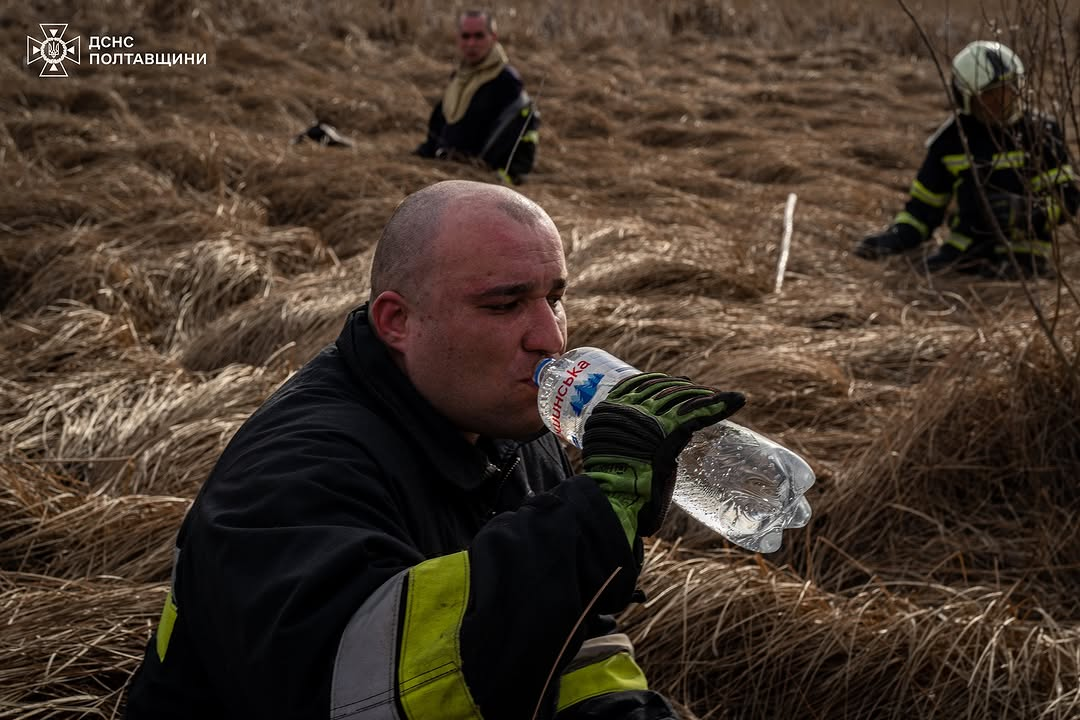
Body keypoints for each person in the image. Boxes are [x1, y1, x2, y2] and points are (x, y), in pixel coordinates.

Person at [124, 179, 746, 719]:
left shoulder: (516, 430)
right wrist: (585, 527)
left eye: (554, 297)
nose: (550, 337)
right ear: (396, 321)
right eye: (505, 303)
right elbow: (359, 696)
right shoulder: (290, 474)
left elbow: (568, 642)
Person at [854, 40, 1079, 278]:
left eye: (1009, 90)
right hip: (963, 252)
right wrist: (895, 238)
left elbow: (1068, 199)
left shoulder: (1042, 133)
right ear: (967, 98)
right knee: (925, 281)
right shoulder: (950, 142)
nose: (1003, 103)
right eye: (991, 96)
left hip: (1025, 256)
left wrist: (1027, 212)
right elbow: (923, 210)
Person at [414, 10, 540, 184]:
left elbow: (520, 139)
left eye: (479, 36)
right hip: (446, 173)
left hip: (479, 181)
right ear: (458, 39)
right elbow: (441, 128)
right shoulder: (459, 77)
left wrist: (503, 180)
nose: (471, 43)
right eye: (465, 36)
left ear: (493, 37)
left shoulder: (505, 81)